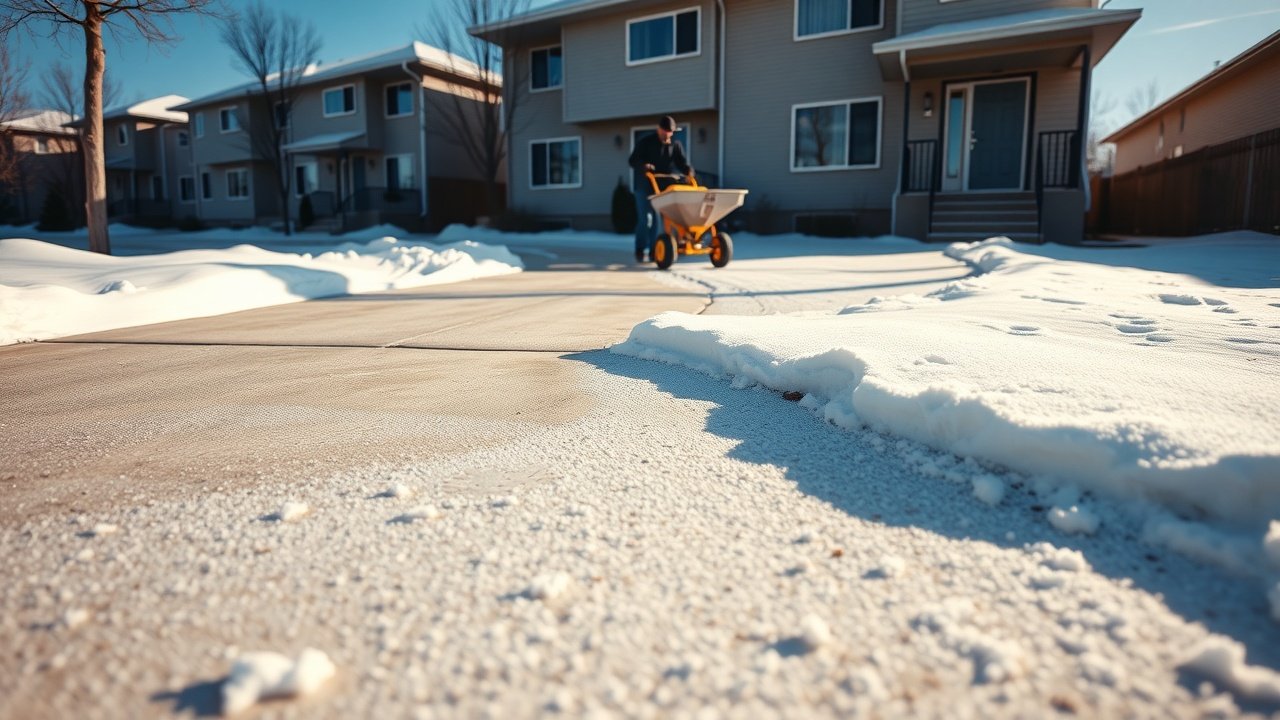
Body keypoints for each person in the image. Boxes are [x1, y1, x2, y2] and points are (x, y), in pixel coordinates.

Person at [628, 115, 692, 263]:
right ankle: (640, 249)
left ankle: (654, 251)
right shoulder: (646, 142)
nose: (667, 135)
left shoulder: (675, 144)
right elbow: (632, 160)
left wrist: (688, 170)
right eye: (665, 132)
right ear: (659, 129)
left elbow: (682, 162)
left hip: (663, 187)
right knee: (646, 219)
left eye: (670, 132)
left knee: (660, 221)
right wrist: (644, 166)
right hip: (644, 185)